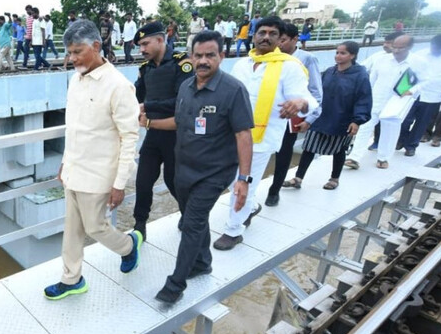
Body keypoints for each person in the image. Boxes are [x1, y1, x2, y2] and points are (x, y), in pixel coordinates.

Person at [145, 31, 254, 304]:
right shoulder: (186, 87)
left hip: (214, 172)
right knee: (194, 218)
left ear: (222, 56)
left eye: (210, 55)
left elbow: (244, 135)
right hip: (184, 169)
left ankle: (176, 283)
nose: (203, 61)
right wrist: (149, 124)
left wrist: (243, 179)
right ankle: (202, 263)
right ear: (191, 57)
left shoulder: (233, 90)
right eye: (199, 55)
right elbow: (180, 123)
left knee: (192, 224)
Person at [44, 19, 140, 300]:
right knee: (72, 229)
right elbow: (73, 127)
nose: (71, 59)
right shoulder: (76, 79)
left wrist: (120, 183)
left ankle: (128, 246)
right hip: (74, 170)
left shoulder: (119, 86)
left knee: (96, 227)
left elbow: (129, 137)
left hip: (99, 174)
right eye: (69, 53)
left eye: (77, 52)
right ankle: (71, 279)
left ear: (96, 47)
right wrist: (64, 162)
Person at [214, 16, 316, 251]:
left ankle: (233, 230)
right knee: (232, 180)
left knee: (245, 181)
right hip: (233, 135)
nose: (266, 37)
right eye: (261, 32)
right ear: (253, 35)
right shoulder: (242, 64)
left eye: (272, 33)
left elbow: (309, 98)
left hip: (262, 138)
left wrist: (299, 102)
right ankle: (248, 209)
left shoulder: (289, 67)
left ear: (280, 39)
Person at [131, 21, 194, 239]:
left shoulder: (182, 64)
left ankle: (189, 215)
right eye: (140, 45)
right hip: (153, 133)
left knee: (173, 180)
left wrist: (148, 107)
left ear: (160, 40)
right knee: (143, 180)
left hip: (176, 134)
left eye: (145, 44)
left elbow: (181, 101)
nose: (142, 50)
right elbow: (135, 96)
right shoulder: (145, 69)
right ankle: (139, 225)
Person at [281, 41, 371, 191]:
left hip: (342, 118)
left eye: (343, 53)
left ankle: (334, 178)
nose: (338, 56)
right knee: (309, 147)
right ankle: (298, 178)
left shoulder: (360, 75)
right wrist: (308, 116)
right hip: (322, 116)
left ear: (352, 55)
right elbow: (315, 94)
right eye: (337, 52)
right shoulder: (330, 71)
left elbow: (364, 98)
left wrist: (357, 121)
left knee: (339, 149)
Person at [265, 23, 324, 206]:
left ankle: (274, 191)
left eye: (282, 40)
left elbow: (315, 92)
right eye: (277, 40)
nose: (278, 44)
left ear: (294, 39)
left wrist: (310, 119)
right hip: (267, 115)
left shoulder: (306, 59)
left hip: (290, 118)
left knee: (283, 154)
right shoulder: (269, 58)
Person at [345, 31, 404, 167]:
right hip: (376, 98)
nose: (386, 45)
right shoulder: (379, 58)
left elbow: (415, 83)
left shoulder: (412, 62)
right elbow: (368, 77)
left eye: (390, 43)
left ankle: (383, 158)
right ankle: (354, 157)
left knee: (389, 129)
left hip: (396, 101)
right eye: (386, 42)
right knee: (365, 126)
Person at [397, 34, 441, 157]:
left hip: (434, 94)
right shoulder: (420, 54)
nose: (436, 50)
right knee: (404, 119)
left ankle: (411, 146)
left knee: (422, 122)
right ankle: (401, 140)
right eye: (434, 47)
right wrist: (402, 90)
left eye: (439, 49)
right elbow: (408, 72)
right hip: (413, 92)